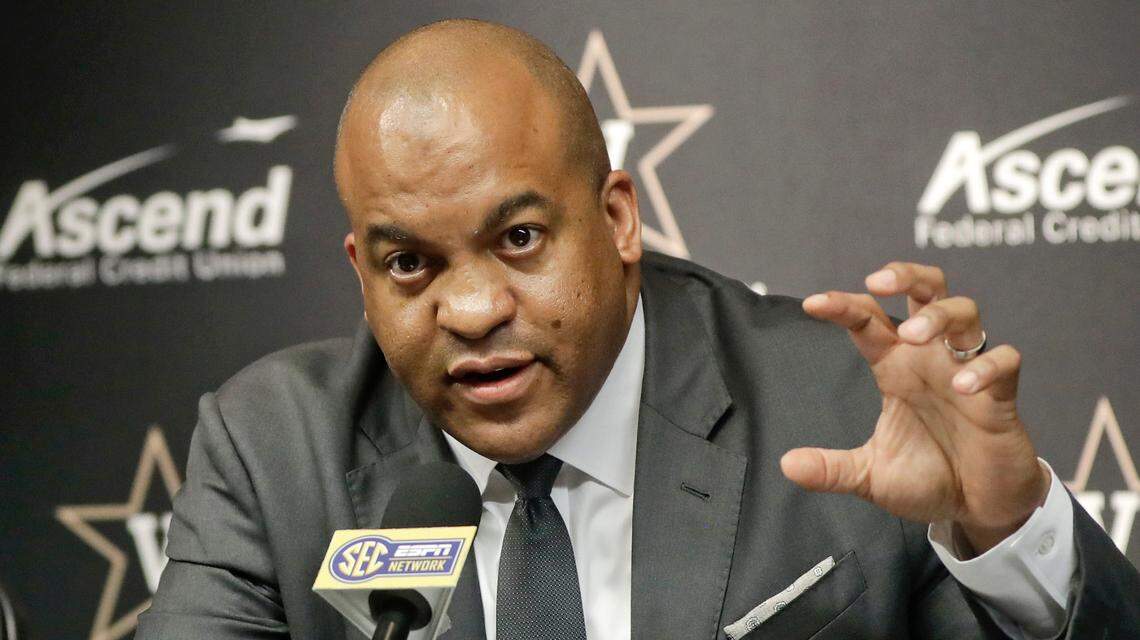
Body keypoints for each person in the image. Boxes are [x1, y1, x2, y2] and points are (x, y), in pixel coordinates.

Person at [137, 19, 1140, 640]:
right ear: (362, 271)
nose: (473, 311)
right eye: (411, 264)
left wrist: (1009, 529)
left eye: (519, 239)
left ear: (617, 218)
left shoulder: (840, 402)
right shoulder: (276, 450)